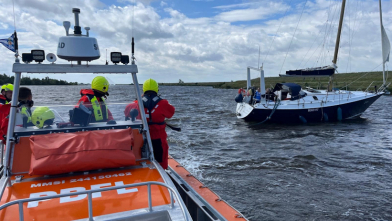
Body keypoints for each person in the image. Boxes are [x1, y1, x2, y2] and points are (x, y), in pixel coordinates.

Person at [126, 78, 175, 169]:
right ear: (157, 89)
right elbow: (171, 112)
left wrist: (138, 99)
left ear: (144, 89)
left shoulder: (136, 103)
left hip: (141, 138)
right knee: (161, 161)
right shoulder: (163, 103)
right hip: (158, 138)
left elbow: (126, 111)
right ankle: (162, 176)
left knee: (140, 159)